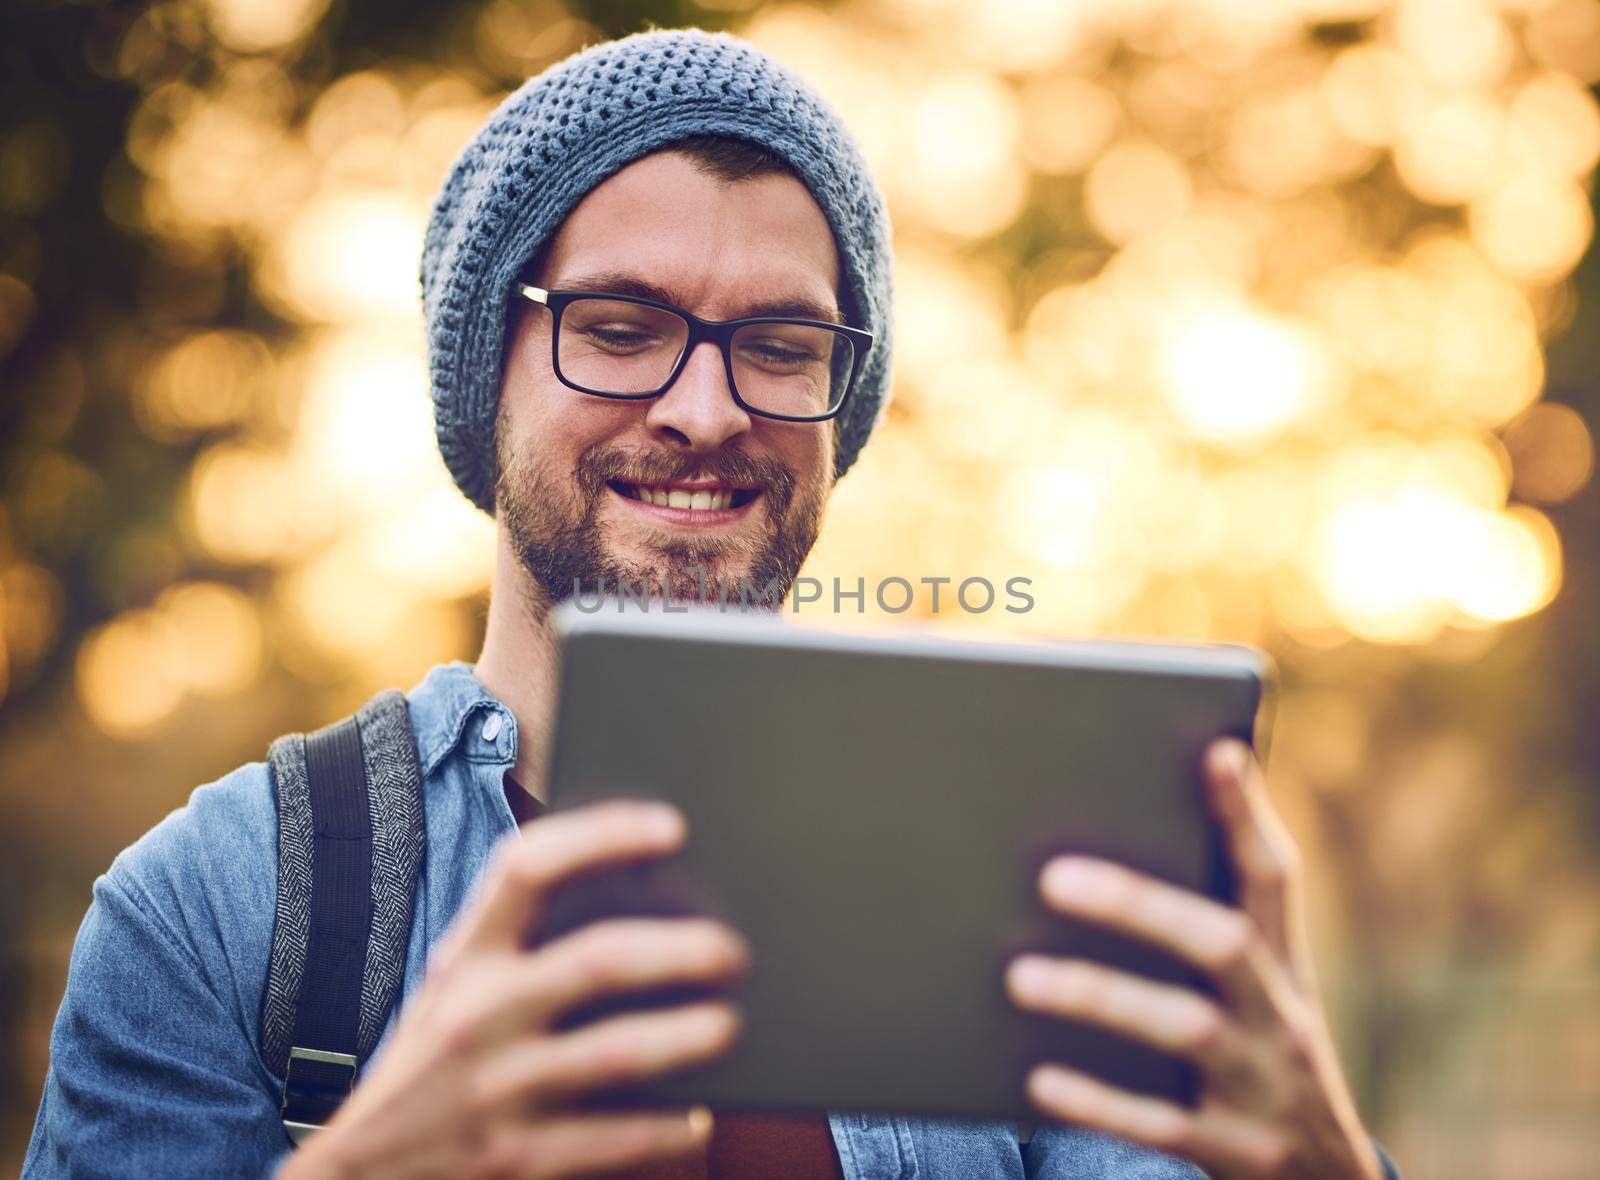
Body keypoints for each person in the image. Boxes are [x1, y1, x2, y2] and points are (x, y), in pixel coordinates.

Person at [24, 27, 1398, 1180]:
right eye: (619, 328)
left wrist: (1321, 1160)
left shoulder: (1027, 882)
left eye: (779, 345)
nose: (704, 409)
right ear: (484, 371)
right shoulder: (217, 907)